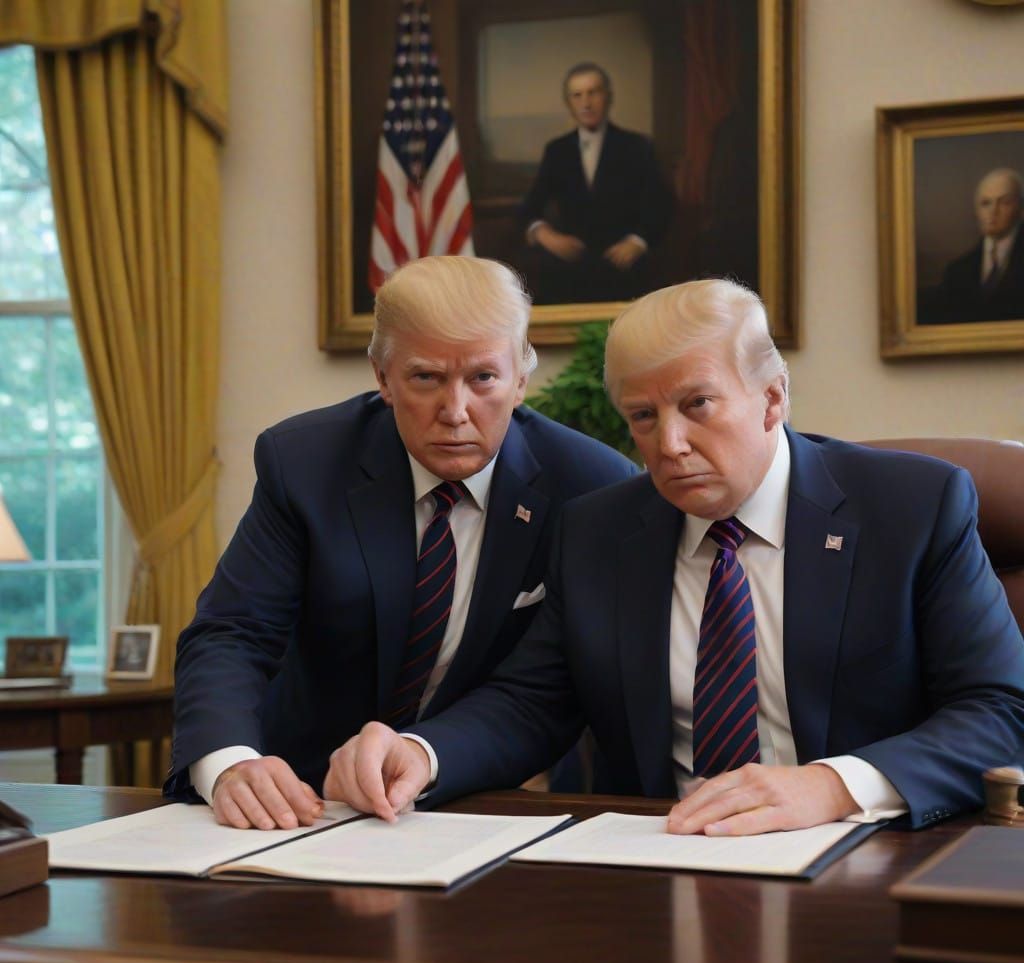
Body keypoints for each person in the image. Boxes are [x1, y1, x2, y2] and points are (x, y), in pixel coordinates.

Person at [326, 278, 1024, 836]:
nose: (671, 443)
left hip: (870, 855)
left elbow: (999, 711)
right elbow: (531, 702)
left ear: (772, 397)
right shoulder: (600, 531)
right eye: (643, 417)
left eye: (697, 405)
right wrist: (420, 753)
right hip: (666, 859)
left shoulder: (910, 508)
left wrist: (834, 785)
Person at [165, 255, 637, 828]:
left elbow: (548, 690)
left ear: (521, 378)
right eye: (426, 377)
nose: (456, 411)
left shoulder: (588, 488)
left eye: (483, 377)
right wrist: (231, 763)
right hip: (298, 797)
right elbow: (232, 631)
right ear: (382, 377)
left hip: (480, 800)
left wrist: (427, 755)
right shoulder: (307, 464)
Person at [519, 62, 672, 304]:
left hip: (623, 264)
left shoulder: (637, 146)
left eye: (594, 92)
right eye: (577, 95)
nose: (586, 103)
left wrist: (637, 242)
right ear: (569, 103)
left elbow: (660, 205)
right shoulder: (557, 150)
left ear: (608, 97)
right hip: (571, 265)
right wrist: (546, 235)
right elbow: (530, 208)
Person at [919, 167, 1024, 324]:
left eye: (1004, 202)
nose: (993, 211)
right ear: (976, 211)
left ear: (1021, 209)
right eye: (985, 203)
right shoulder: (957, 271)